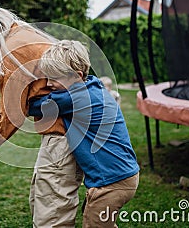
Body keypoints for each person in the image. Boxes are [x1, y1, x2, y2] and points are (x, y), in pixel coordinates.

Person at [0, 2, 83, 227]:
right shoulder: (24, 34)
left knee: (51, 215)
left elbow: (11, 117)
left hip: (62, 135)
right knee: (47, 200)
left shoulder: (12, 50)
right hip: (71, 130)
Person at [28, 40, 140, 228]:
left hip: (112, 183)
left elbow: (34, 107)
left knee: (93, 224)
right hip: (122, 176)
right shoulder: (93, 87)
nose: (48, 84)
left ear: (77, 76)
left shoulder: (76, 97)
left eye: (53, 78)